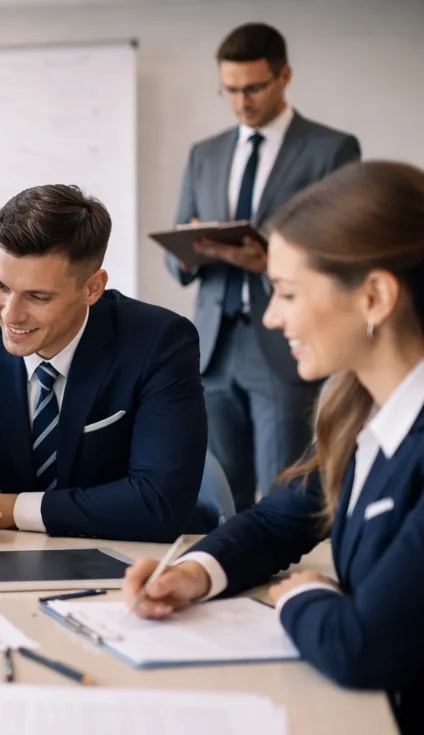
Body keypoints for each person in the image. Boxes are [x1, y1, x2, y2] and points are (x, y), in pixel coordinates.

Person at [130, 161, 424, 735]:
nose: (270, 317)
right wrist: (192, 573)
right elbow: (275, 521)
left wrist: (304, 594)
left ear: (374, 297)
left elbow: (363, 647)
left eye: (288, 294)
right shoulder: (364, 409)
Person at [0, 184, 206, 542]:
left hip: (133, 559)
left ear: (92, 288)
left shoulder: (160, 343)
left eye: (38, 296)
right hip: (8, 559)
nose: (10, 314)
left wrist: (13, 509)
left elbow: (158, 502)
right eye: (1, 286)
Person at [167, 22, 361, 512]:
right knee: (219, 494)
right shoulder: (205, 154)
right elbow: (175, 256)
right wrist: (189, 249)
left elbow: (343, 250)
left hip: (282, 340)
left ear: (284, 76)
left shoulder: (330, 149)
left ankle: (281, 587)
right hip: (212, 345)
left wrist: (270, 260)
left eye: (253, 88)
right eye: (230, 90)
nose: (242, 102)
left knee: (284, 489)